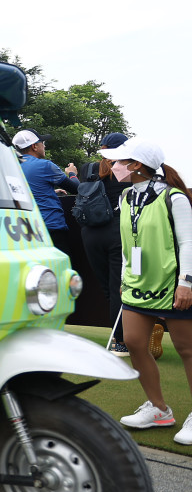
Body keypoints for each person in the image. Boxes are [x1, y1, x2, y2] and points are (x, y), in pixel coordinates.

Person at [102, 138, 192, 445]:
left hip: (175, 286)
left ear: (136, 166)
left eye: (118, 161)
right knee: (134, 343)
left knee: (187, 350)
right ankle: (158, 408)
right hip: (138, 286)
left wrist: (187, 282)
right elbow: (130, 241)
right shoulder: (126, 196)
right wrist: (126, 275)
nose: (113, 166)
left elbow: (188, 243)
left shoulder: (174, 197)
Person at [77, 133, 132, 355]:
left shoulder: (87, 169)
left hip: (89, 233)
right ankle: (120, 341)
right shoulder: (126, 170)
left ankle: (119, 338)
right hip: (116, 232)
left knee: (108, 291)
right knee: (118, 289)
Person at [12, 129, 79, 260]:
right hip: (51, 228)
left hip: (23, 231)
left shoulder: (11, 166)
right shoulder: (45, 165)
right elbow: (77, 189)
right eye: (42, 142)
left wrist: (50, 192)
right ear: (34, 146)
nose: (44, 146)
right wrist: (72, 174)